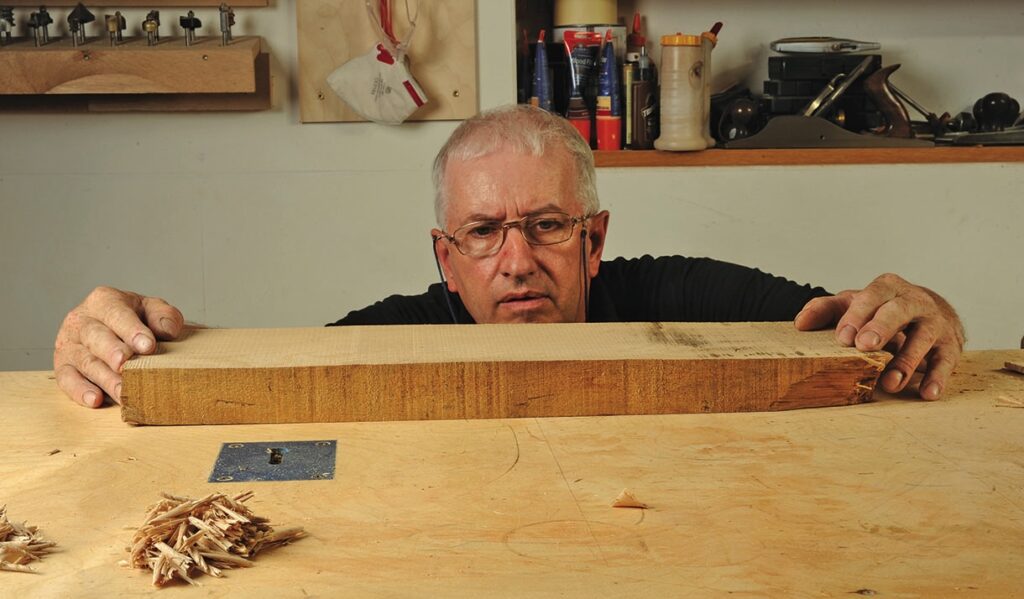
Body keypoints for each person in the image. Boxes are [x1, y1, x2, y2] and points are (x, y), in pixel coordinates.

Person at [53, 105, 965, 408]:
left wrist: (918, 306)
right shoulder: (399, 335)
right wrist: (125, 342)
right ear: (446, 260)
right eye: (483, 234)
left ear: (596, 238)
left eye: (548, 225)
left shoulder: (677, 294)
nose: (516, 260)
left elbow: (850, 322)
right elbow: (262, 375)